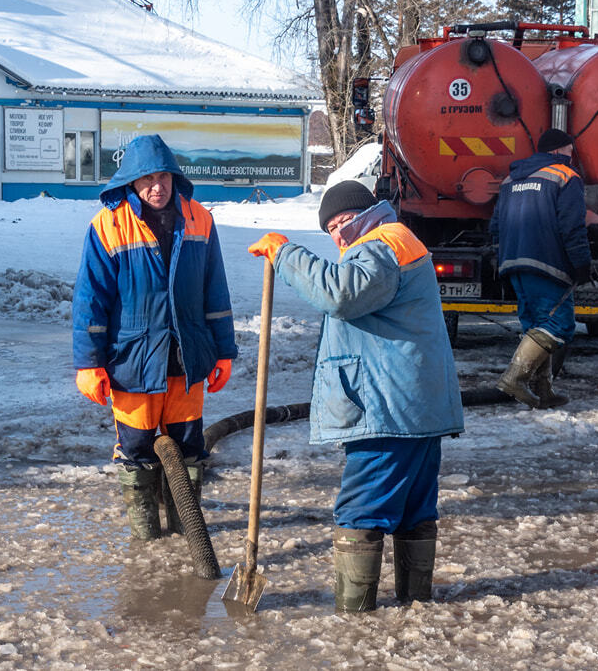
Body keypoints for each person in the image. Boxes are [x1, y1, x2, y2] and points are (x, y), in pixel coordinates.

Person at [247, 180, 464, 613]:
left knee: (361, 508)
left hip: (389, 409)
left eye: (345, 221)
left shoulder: (382, 244)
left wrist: (285, 254)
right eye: (331, 228)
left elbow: (339, 294)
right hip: (417, 407)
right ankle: (413, 607)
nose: (340, 233)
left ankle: (355, 619)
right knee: (413, 510)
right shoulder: (397, 242)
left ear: (370, 213)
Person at [72, 134, 237, 541]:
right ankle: (146, 537)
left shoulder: (200, 218)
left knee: (188, 450)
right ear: (130, 181)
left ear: (173, 176)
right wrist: (89, 363)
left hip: (188, 357)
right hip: (133, 361)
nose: (156, 187)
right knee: (137, 450)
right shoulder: (108, 226)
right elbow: (90, 299)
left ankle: (187, 534)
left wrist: (224, 351)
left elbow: (215, 291)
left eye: (162, 176)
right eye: (146, 179)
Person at [488, 128, 592, 409]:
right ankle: (514, 378)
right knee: (559, 325)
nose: (572, 158)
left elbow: (495, 225)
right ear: (559, 151)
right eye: (570, 152)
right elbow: (572, 227)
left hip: (513, 262)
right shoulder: (565, 177)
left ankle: (543, 389)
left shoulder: (512, 178)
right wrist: (581, 263)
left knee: (535, 325)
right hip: (549, 262)